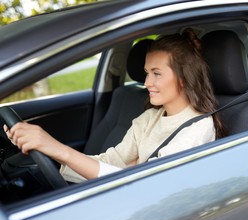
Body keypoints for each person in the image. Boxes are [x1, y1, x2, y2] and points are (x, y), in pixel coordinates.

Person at [4, 28, 225, 183]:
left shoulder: (198, 129)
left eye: (157, 73)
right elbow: (113, 162)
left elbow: (144, 185)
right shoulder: (150, 118)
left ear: (183, 78)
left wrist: (56, 148)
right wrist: (49, 152)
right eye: (147, 72)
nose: (147, 82)